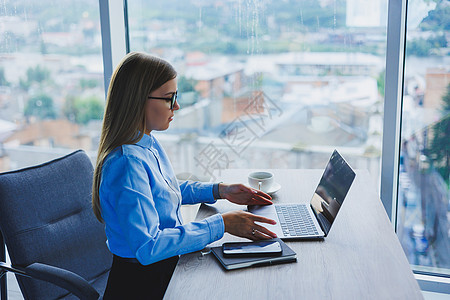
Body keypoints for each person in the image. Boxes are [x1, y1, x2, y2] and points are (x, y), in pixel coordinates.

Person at [91, 52, 277, 300]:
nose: (176, 106)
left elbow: (161, 190)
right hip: (143, 285)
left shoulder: (145, 144)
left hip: (165, 267)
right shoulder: (127, 163)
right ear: (138, 101)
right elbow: (148, 247)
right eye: (169, 99)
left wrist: (219, 190)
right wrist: (222, 224)